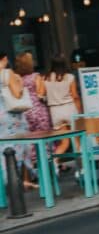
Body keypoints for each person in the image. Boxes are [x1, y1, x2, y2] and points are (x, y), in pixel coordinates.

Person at [0, 51, 36, 190]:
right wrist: (20, 83)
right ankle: (19, 181)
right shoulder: (7, 73)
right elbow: (16, 93)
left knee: (3, 149)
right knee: (20, 147)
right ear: (5, 59)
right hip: (10, 115)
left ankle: (6, 182)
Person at [14, 52, 51, 172]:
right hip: (39, 111)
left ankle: (33, 169)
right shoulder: (36, 76)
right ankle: (46, 169)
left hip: (25, 112)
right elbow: (41, 94)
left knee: (30, 142)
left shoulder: (17, 78)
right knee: (44, 140)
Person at [43, 54, 82, 162]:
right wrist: (79, 111)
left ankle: (54, 166)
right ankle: (82, 169)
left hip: (55, 111)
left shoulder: (45, 78)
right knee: (77, 141)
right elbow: (75, 96)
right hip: (69, 108)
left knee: (64, 143)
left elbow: (42, 95)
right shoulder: (70, 77)